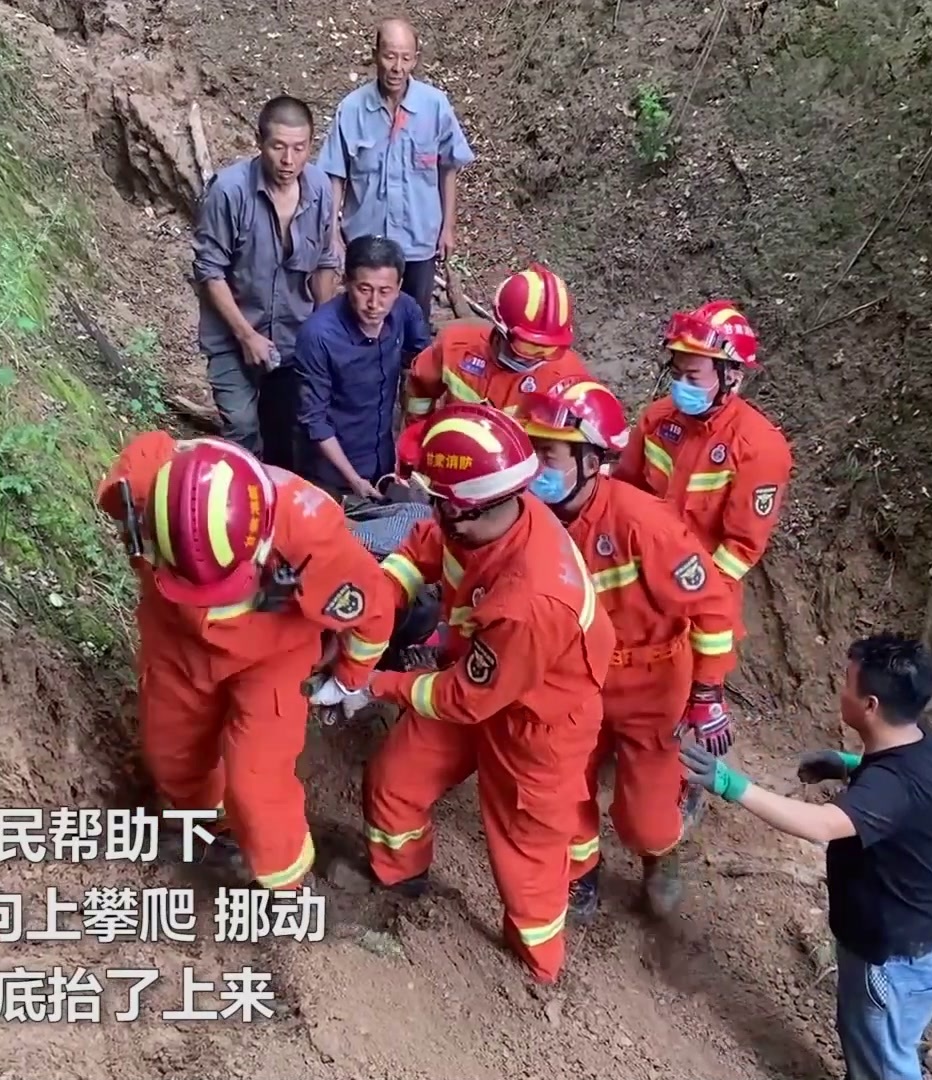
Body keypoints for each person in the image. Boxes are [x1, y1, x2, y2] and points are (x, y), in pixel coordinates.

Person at [313, 401, 617, 986]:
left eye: (442, 507)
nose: (436, 516)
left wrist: (374, 685)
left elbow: (464, 700)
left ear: (471, 509)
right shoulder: (471, 518)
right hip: (473, 675)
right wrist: (373, 609)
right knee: (394, 783)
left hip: (538, 725)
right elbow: (419, 551)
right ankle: (402, 884)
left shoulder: (534, 597)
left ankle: (537, 969)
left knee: (528, 863)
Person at [97, 432, 397, 893]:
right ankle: (201, 823)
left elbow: (373, 611)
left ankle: (285, 884)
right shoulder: (137, 485)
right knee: (172, 752)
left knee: (257, 783)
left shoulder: (311, 536)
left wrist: (349, 679)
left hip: (273, 659)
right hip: (176, 643)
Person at [679, 633, 932, 1080]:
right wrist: (849, 765)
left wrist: (732, 785)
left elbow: (823, 825)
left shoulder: (891, 788)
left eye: (846, 683)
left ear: (870, 705)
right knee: (875, 1048)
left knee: (886, 1065)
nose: (838, 689)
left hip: (889, 958)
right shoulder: (925, 747)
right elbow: (898, 786)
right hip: (914, 945)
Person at [514, 376, 739, 920]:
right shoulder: (523, 516)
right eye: (529, 450)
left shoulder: (644, 526)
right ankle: (580, 872)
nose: (533, 467)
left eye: (547, 453)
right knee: (563, 783)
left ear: (592, 461)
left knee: (645, 821)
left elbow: (711, 606)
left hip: (650, 683)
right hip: (571, 679)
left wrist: (706, 693)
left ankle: (663, 847)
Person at [613, 299, 792, 816]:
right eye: (677, 372)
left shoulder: (759, 448)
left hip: (701, 600)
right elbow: (622, 491)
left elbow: (740, 548)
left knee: (694, 699)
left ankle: (686, 783)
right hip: (637, 584)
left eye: (692, 374)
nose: (680, 384)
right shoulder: (657, 421)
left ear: (731, 375)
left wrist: (685, 594)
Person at [193, 95, 341, 470]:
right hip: (233, 336)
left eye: (299, 148)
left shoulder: (320, 188)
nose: (289, 160)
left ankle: (279, 513)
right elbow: (209, 270)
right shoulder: (229, 192)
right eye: (278, 147)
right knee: (242, 428)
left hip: (293, 336)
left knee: (286, 432)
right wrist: (246, 335)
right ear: (259, 143)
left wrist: (325, 329)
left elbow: (324, 260)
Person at [316, 17, 474, 324]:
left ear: (415, 59)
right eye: (390, 56)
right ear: (375, 55)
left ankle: (408, 371)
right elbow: (335, 174)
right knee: (363, 322)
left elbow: (448, 168)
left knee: (414, 322)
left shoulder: (435, 105)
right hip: (366, 241)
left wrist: (448, 228)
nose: (397, 67)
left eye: (405, 58)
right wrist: (332, 233)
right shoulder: (352, 109)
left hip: (419, 239)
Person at [294, 234, 434, 502]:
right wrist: (353, 480)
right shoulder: (318, 336)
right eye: (364, 289)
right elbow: (314, 420)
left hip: (386, 459)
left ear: (399, 286)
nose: (374, 304)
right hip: (334, 473)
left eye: (385, 291)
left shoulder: (405, 309)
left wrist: (411, 435)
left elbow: (422, 363)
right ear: (346, 282)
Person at [399, 263, 594, 436]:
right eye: (529, 346)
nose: (536, 358)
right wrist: (419, 434)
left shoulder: (571, 381)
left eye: (548, 350)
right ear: (501, 330)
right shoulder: (455, 347)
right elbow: (419, 389)